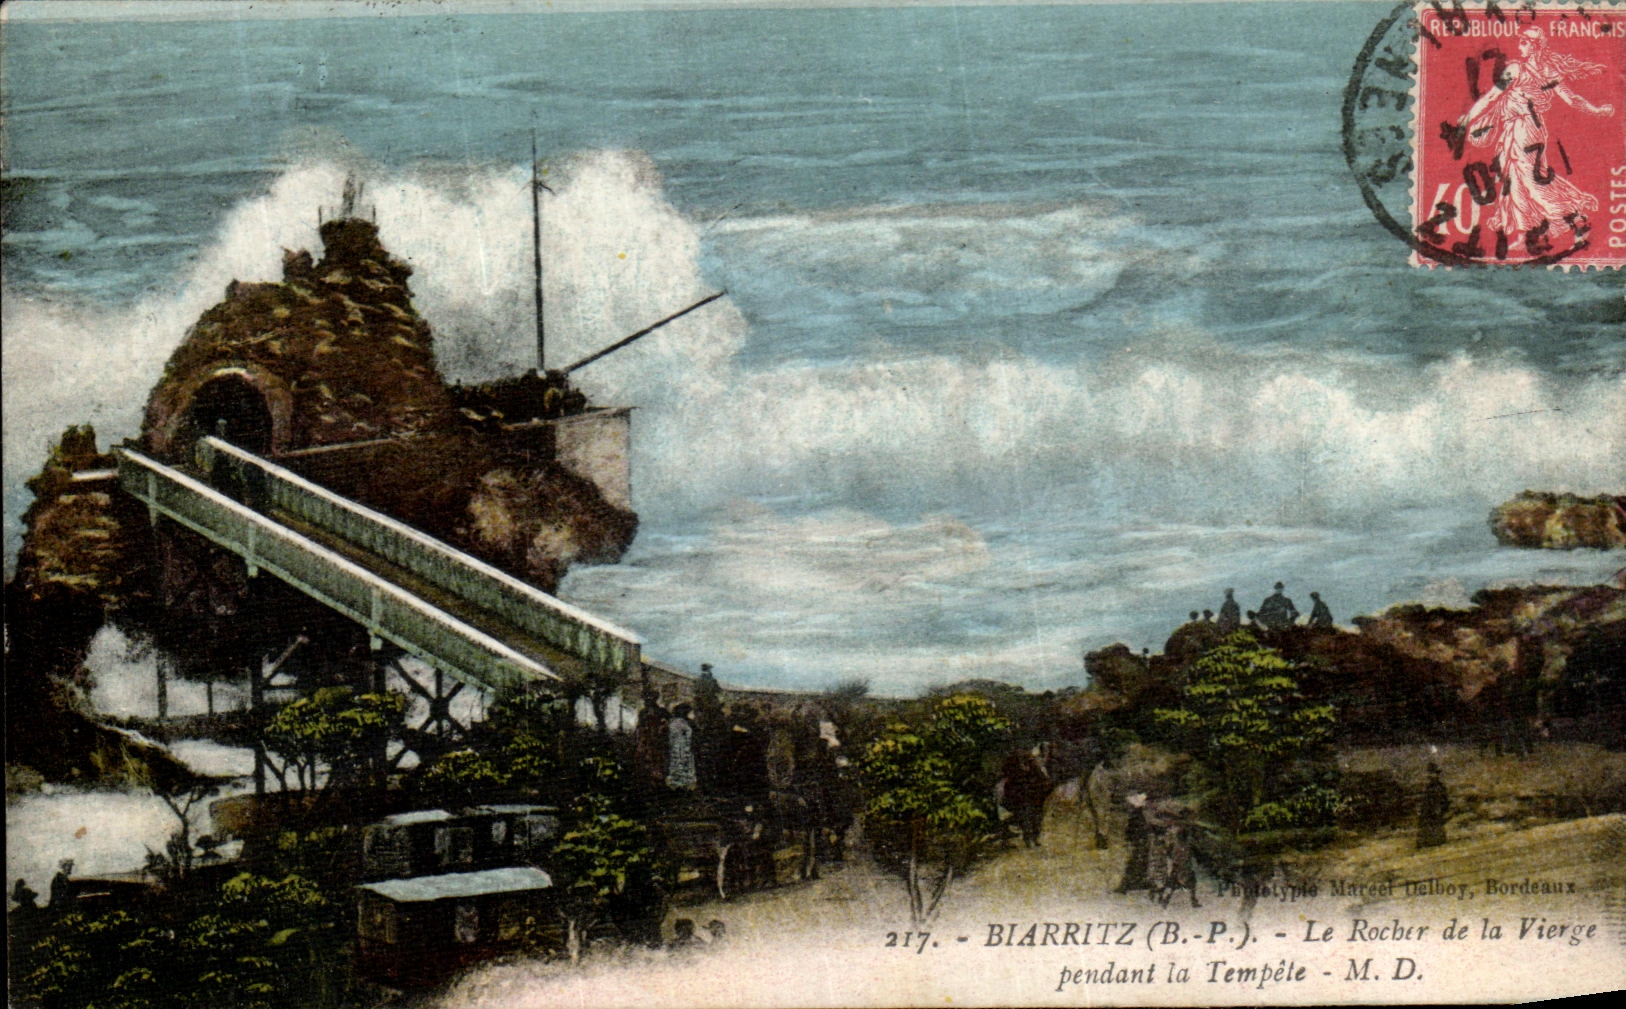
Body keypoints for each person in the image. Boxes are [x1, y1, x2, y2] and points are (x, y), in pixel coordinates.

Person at [1456, 26, 1614, 255]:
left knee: (1530, 180)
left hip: (1523, 128)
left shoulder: (1516, 69)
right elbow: (1573, 99)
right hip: (1529, 129)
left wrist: (1466, 120)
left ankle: (1576, 218)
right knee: (1515, 180)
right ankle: (1527, 234)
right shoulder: (1548, 70)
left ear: (1533, 46)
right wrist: (1597, 111)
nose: (1519, 46)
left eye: (1523, 42)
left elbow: (1491, 97)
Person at [1114, 794, 1151, 894]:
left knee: (1133, 863)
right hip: (1141, 842)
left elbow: (1132, 830)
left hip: (1138, 842)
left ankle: (1127, 885)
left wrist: (1129, 839)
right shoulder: (1140, 816)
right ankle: (1137, 882)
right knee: (1140, 862)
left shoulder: (1136, 816)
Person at [1417, 763, 1449, 849]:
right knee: (1427, 824)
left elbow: (1444, 799)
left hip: (1435, 809)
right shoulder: (1429, 786)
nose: (1431, 776)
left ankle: (1436, 841)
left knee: (1435, 825)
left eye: (1434, 774)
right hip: (1428, 810)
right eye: (1430, 773)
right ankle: (1427, 842)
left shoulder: (1439, 786)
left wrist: (1440, 808)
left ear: (1437, 775)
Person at [667, 704, 697, 791]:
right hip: (681, 747)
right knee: (681, 764)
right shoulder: (681, 723)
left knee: (679, 764)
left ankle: (680, 784)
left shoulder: (675, 722)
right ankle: (682, 785)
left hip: (679, 747)